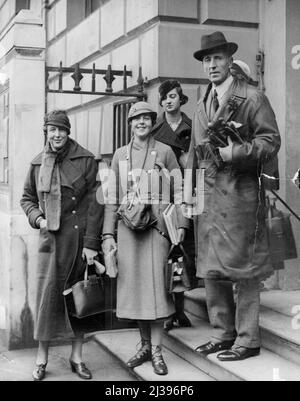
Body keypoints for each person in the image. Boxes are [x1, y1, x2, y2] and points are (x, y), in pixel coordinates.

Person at [185, 31, 281, 361]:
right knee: (213, 269)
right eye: (207, 60)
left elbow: (271, 142)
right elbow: (193, 155)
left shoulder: (251, 97)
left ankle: (247, 339)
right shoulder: (202, 103)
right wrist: (189, 193)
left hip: (241, 195)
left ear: (229, 61)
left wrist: (235, 153)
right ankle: (223, 333)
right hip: (210, 198)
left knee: (245, 268)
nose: (212, 65)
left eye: (218, 59)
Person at [102, 102, 189, 375]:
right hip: (128, 233)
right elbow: (111, 198)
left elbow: (181, 188)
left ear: (153, 122)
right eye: (136, 118)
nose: (142, 122)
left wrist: (182, 223)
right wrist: (107, 233)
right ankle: (143, 345)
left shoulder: (164, 151)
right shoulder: (119, 155)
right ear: (130, 123)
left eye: (147, 118)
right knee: (137, 293)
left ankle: (157, 351)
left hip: (157, 231)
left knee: (158, 292)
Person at [20, 110, 104, 380]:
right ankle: (41, 358)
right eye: (52, 129)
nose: (56, 135)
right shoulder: (37, 164)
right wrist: (39, 219)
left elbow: (95, 205)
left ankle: (77, 357)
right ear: (46, 131)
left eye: (61, 130)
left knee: (79, 300)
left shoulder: (86, 160)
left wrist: (92, 244)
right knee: (48, 302)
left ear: (69, 132)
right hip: (51, 243)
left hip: (79, 243)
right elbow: (27, 199)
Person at [152, 80, 197, 331]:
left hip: (187, 193)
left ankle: (181, 309)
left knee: (182, 252)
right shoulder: (155, 127)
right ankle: (169, 311)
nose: (168, 101)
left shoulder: (193, 126)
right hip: (162, 195)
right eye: (164, 98)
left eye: (172, 96)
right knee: (165, 253)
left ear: (181, 99)